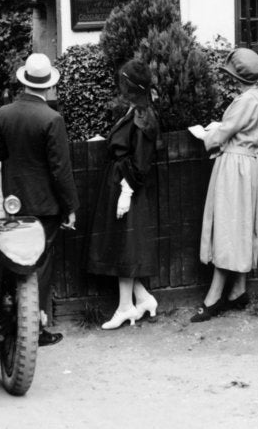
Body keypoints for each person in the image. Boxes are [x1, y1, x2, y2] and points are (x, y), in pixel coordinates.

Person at [0, 53, 80, 346]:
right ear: (48, 86)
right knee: (39, 265)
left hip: (14, 203)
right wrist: (70, 208)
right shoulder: (52, 119)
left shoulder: (4, 113)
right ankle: (35, 330)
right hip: (45, 207)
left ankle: (7, 325)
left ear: (25, 81)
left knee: (12, 259)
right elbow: (60, 170)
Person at [191, 48, 258, 323]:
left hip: (235, 167)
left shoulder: (244, 100)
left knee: (227, 226)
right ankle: (238, 289)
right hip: (248, 165)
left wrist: (207, 134)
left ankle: (214, 298)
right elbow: (239, 128)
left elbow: (221, 135)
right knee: (241, 224)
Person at [86, 60, 160, 329]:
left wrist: (126, 192)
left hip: (127, 186)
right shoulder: (135, 111)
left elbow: (141, 163)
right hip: (118, 182)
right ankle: (143, 299)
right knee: (120, 245)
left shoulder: (143, 116)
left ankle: (125, 307)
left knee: (124, 249)